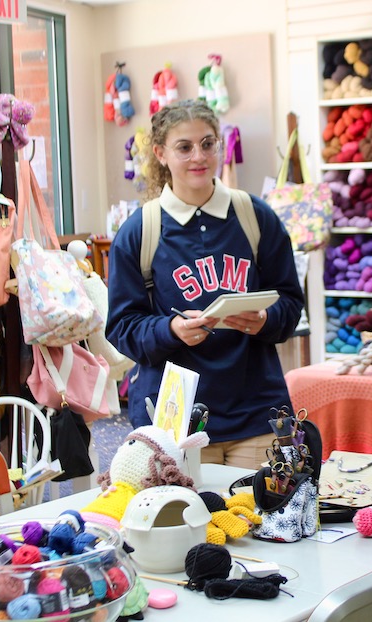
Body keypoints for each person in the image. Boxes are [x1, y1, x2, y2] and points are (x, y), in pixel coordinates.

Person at [106, 99, 304, 469]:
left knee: (259, 520)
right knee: (186, 523)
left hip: (255, 411)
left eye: (208, 143)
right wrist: (170, 329)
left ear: (220, 146)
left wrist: (266, 319)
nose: (199, 156)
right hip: (174, 419)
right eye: (184, 147)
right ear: (161, 153)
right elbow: (121, 327)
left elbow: (291, 303)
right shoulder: (139, 232)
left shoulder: (255, 217)